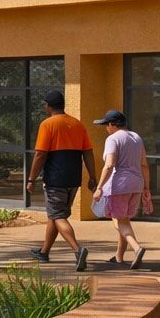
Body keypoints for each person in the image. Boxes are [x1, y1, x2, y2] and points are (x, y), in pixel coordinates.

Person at [26, 90, 96, 271]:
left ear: (48, 106)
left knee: (58, 216)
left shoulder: (48, 124)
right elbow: (87, 152)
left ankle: (78, 250)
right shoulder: (77, 124)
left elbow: (40, 153)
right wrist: (92, 177)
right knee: (55, 216)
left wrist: (31, 178)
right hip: (73, 179)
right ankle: (44, 251)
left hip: (55, 179)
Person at [93, 109, 150, 269]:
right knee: (124, 220)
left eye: (106, 125)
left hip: (119, 185)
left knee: (118, 221)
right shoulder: (136, 138)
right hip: (136, 184)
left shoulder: (113, 139)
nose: (106, 128)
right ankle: (119, 256)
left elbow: (110, 164)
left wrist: (99, 187)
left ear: (112, 124)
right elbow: (144, 164)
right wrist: (147, 187)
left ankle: (137, 248)